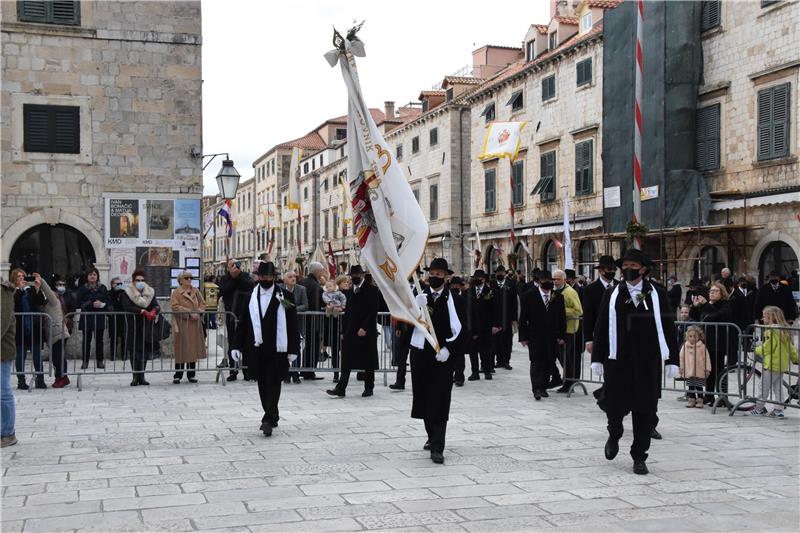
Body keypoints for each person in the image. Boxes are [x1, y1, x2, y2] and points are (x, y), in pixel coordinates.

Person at [591, 248, 680, 475]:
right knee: (615, 406)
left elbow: (669, 328)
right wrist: (597, 358)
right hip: (618, 360)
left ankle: (639, 455)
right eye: (626, 266)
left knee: (645, 411)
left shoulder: (657, 294)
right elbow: (601, 326)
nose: (628, 270)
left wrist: (672, 359)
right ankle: (614, 433)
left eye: (633, 266)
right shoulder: (612, 294)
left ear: (643, 269)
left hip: (647, 362)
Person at [231, 262, 300, 436]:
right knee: (262, 382)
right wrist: (236, 345)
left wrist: (293, 348)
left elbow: (293, 325)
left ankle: (267, 419)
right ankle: (273, 414)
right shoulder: (250, 297)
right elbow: (244, 323)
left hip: (278, 348)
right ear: (258, 277)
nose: (266, 279)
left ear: (274, 278)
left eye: (269, 277)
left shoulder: (285, 296)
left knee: (274, 381)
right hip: (256, 347)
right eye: (263, 276)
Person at [409, 258, 465, 464]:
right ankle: (431, 436)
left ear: (446, 277)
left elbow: (463, 328)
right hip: (421, 354)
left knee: (440, 400)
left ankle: (438, 446)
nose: (434, 277)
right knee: (423, 398)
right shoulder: (419, 296)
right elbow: (406, 325)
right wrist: (414, 308)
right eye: (432, 273)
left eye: (439, 274)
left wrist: (449, 350)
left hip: (443, 358)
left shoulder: (456, 300)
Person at [327, 265, 378, 398]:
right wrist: (344, 331)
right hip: (351, 330)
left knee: (368, 360)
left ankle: (369, 387)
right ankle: (341, 388)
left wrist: (365, 327)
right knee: (347, 359)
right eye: (353, 275)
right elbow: (348, 313)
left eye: (358, 275)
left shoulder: (372, 290)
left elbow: (373, 311)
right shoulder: (349, 292)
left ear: (362, 275)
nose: (355, 277)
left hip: (366, 331)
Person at [519, 270, 566, 400]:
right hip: (535, 335)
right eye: (545, 281)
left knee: (548, 361)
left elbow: (562, 317)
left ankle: (544, 387)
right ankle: (536, 389)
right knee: (536, 362)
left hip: (551, 335)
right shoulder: (529, 296)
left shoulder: (558, 297)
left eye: (550, 281)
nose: (548, 283)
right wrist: (523, 337)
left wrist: (562, 336)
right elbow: (523, 317)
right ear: (539, 282)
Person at [689, 282, 736, 406]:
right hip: (706, 342)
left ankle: (722, 397)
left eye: (715, 291)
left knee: (719, 370)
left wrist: (705, 305)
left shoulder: (725, 304)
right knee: (708, 370)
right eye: (711, 291)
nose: (712, 293)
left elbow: (717, 316)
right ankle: (709, 395)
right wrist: (694, 307)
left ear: (722, 293)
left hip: (719, 343)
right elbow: (695, 316)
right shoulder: (707, 305)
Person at [750, 306, 798, 418]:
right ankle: (779, 409)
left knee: (763, 386)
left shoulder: (770, 331)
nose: (762, 319)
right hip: (781, 364)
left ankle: (759, 408)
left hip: (771, 364)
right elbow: (791, 348)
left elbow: (768, 348)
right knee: (778, 387)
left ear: (771, 318)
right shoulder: (785, 330)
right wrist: (796, 359)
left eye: (764, 316)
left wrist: (756, 349)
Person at [120, 270, 160, 386]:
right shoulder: (127, 292)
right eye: (138, 280)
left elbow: (156, 304)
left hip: (146, 325)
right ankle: (135, 376)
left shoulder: (150, 292)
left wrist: (154, 310)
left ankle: (142, 376)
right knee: (134, 351)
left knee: (145, 351)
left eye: (142, 280)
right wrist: (142, 311)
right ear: (133, 281)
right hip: (133, 325)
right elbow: (127, 306)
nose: (140, 282)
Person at [219, 259, 255, 381]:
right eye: (231, 265)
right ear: (228, 267)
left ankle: (247, 371)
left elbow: (250, 285)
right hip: (231, 315)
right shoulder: (225, 279)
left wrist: (238, 276)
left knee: (246, 343)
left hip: (245, 315)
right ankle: (233, 371)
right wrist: (233, 278)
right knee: (233, 342)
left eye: (236, 265)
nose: (234, 267)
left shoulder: (245, 276)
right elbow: (224, 291)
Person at [11, 268, 46, 390]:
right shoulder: (12, 292)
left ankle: (40, 379)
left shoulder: (30, 290)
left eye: (23, 276)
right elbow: (15, 305)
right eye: (18, 277)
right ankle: (21, 381)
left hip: (33, 327)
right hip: (19, 328)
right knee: (20, 355)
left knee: (37, 355)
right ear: (14, 280)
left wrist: (37, 287)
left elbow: (41, 301)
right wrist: (20, 290)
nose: (21, 279)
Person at [170, 271, 206, 384]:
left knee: (192, 350)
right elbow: (175, 307)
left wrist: (199, 312)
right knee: (181, 349)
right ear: (180, 280)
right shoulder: (176, 292)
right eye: (186, 278)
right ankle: (178, 375)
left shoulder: (195, 291)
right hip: (182, 324)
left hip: (195, 325)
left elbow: (203, 303)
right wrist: (189, 313)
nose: (189, 279)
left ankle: (191, 374)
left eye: (191, 277)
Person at [553, 269, 583, 393]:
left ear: (564, 279)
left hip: (569, 330)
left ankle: (569, 382)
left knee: (566, 357)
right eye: (554, 279)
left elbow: (578, 311)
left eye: (558, 279)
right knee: (559, 356)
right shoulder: (554, 291)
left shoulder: (570, 292)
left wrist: (562, 311)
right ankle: (560, 379)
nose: (555, 282)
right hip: (556, 329)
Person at [40, 274, 71, 388]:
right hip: (54, 332)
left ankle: (61, 377)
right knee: (56, 357)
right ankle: (62, 377)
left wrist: (41, 281)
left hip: (58, 331)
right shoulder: (51, 299)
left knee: (59, 357)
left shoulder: (53, 298)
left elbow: (47, 291)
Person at [467, 269, 498, 381]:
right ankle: (474, 372)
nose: (477, 280)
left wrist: (496, 325)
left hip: (486, 325)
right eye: (475, 278)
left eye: (479, 278)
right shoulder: (469, 291)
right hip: (472, 326)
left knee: (486, 350)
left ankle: (487, 370)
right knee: (473, 351)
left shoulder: (490, 291)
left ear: (484, 279)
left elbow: (495, 309)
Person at [76, 267, 109, 370]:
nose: (92, 276)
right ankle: (85, 362)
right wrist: (91, 304)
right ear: (87, 276)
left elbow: (108, 301)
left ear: (97, 276)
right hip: (87, 317)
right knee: (86, 341)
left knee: (99, 340)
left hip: (99, 317)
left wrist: (102, 304)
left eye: (94, 274)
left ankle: (100, 361)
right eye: (90, 274)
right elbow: (79, 303)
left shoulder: (102, 288)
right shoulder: (82, 288)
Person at [298, 261, 326, 381]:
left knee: (308, 345)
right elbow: (314, 304)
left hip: (304, 320)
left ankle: (305, 369)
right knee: (313, 346)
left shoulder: (302, 281)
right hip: (313, 321)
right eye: (322, 270)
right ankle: (309, 371)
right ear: (317, 271)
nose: (323, 273)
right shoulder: (315, 285)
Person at [282, 271, 309, 384]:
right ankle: (286, 373)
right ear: (285, 279)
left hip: (297, 323)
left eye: (294, 277)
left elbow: (305, 305)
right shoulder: (280, 289)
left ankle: (296, 373)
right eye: (290, 277)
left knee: (296, 347)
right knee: (284, 348)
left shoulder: (301, 289)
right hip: (283, 324)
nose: (293, 278)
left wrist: (293, 309)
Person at [491, 266, 518, 371]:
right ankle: (499, 361)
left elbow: (514, 302)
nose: (500, 274)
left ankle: (506, 361)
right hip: (496, 317)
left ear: (505, 273)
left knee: (507, 340)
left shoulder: (511, 285)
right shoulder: (492, 284)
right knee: (497, 340)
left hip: (507, 317)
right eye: (498, 273)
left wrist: (514, 318)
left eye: (501, 272)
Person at [1, 277, 18, 447]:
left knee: (3, 390)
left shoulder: (3, 291)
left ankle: (7, 433)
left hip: (2, 350)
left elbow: (2, 322)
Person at [679, 325, 711, 408]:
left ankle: (700, 400)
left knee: (699, 386)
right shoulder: (685, 346)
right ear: (687, 337)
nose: (692, 338)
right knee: (690, 386)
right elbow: (681, 357)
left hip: (699, 371)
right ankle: (692, 399)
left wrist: (707, 369)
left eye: (695, 336)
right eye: (690, 336)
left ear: (699, 337)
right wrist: (681, 367)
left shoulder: (702, 347)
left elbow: (706, 358)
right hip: (689, 370)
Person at [322, 278, 347, 383]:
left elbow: (345, 303)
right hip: (333, 327)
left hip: (343, 327)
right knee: (335, 351)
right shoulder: (326, 294)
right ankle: (336, 373)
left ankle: (344, 373)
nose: (346, 284)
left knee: (343, 352)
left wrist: (342, 307)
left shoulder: (341, 294)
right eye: (344, 282)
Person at [448, 276, 469, 387]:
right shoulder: (447, 297)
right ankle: (450, 375)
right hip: (449, 331)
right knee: (450, 355)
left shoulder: (466, 297)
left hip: (461, 331)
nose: (455, 287)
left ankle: (459, 376)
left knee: (460, 356)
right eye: (453, 285)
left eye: (457, 285)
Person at [107, 277, 127, 362]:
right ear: (112, 285)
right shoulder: (108, 293)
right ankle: (113, 355)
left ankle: (124, 355)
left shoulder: (123, 293)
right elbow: (108, 304)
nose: (119, 285)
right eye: (117, 284)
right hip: (113, 318)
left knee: (124, 337)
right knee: (113, 338)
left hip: (122, 318)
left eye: (120, 284)